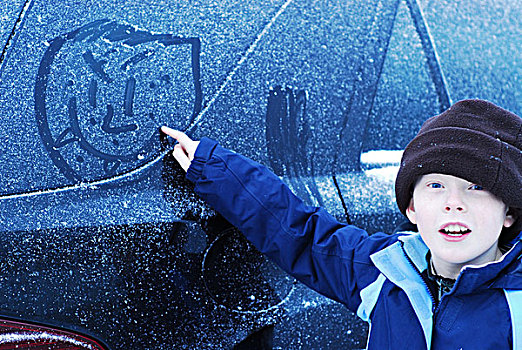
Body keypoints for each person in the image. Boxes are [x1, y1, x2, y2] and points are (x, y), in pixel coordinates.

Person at [161, 99, 522, 349]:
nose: (453, 203)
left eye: (477, 188)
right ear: (412, 208)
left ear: (509, 212)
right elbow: (301, 233)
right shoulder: (386, 270)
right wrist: (217, 169)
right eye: (436, 186)